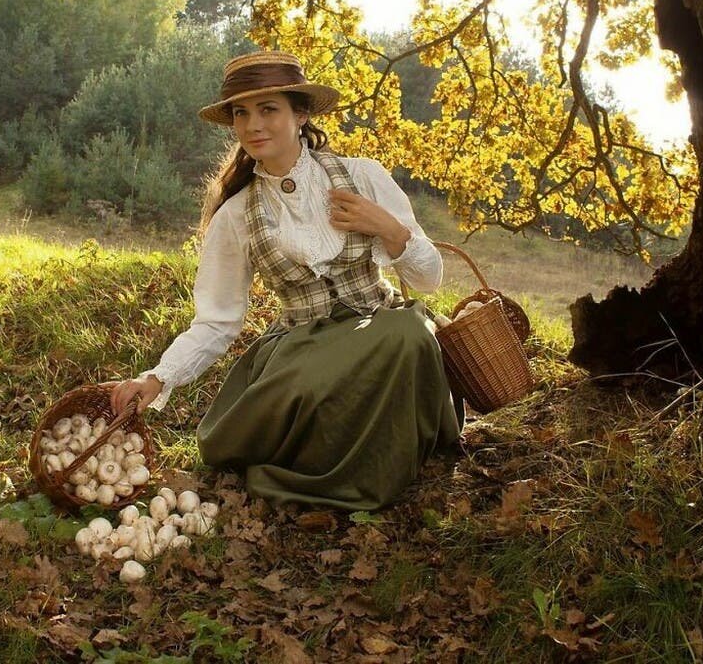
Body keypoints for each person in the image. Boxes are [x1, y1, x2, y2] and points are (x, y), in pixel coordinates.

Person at [109, 50, 463, 510]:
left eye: (268, 109)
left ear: (301, 114)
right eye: (242, 113)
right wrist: (157, 379)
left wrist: (389, 228)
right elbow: (216, 322)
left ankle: (369, 467)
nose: (253, 125)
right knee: (294, 393)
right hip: (304, 347)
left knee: (408, 332)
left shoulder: (362, 176)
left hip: (380, 331)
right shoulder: (236, 215)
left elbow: (430, 277)